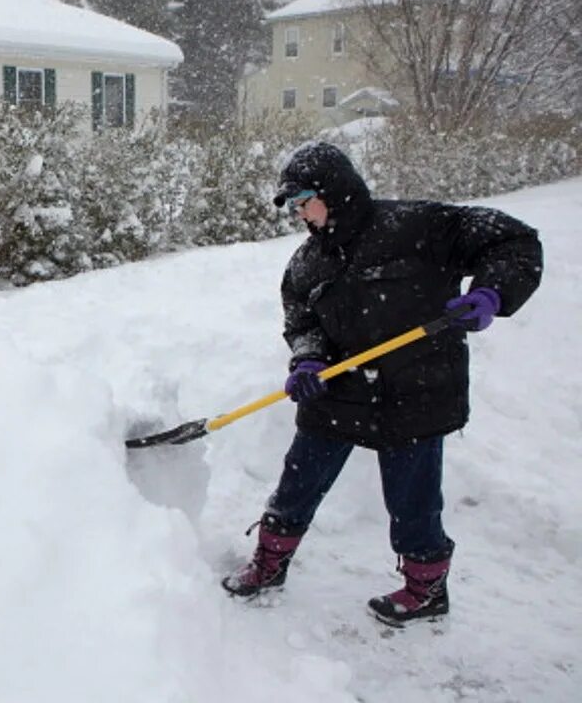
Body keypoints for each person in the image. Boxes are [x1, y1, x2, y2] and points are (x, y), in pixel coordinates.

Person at [222, 141, 542, 627]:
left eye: (303, 200)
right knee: (297, 483)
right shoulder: (307, 263)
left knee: (413, 502)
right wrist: (307, 361)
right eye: (293, 205)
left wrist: (491, 292)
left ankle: (426, 588)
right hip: (339, 391)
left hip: (415, 390)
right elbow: (301, 319)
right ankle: (270, 562)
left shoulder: (418, 226)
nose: (299, 213)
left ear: (334, 192)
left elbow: (513, 241)